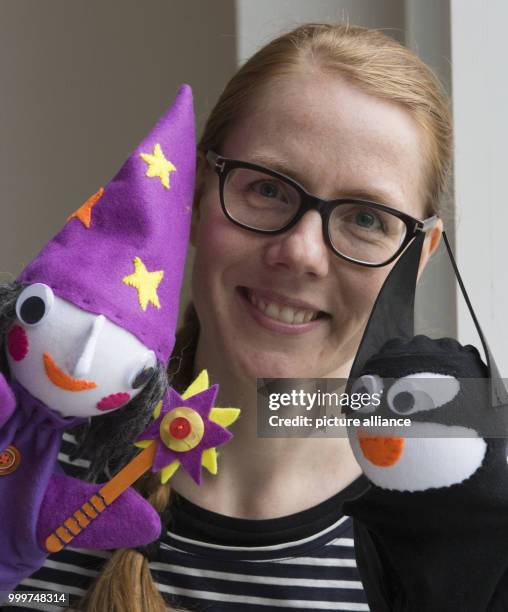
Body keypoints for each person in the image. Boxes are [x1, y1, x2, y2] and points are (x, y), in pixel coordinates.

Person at [6, 22, 450, 612]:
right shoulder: (24, 448)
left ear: (417, 258)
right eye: (266, 188)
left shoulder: (454, 523)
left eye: (366, 219)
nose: (300, 252)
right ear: (193, 196)